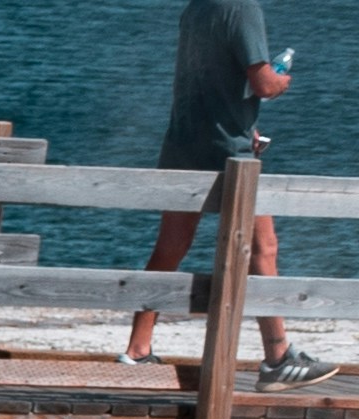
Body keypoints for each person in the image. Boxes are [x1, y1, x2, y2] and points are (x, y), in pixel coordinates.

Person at [135, 0, 334, 382]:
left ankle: (137, 350)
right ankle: (277, 358)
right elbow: (262, 83)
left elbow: (206, 79)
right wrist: (280, 82)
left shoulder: (197, 7)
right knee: (263, 248)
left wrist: (245, 127)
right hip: (228, 154)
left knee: (169, 248)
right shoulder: (243, 7)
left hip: (184, 142)